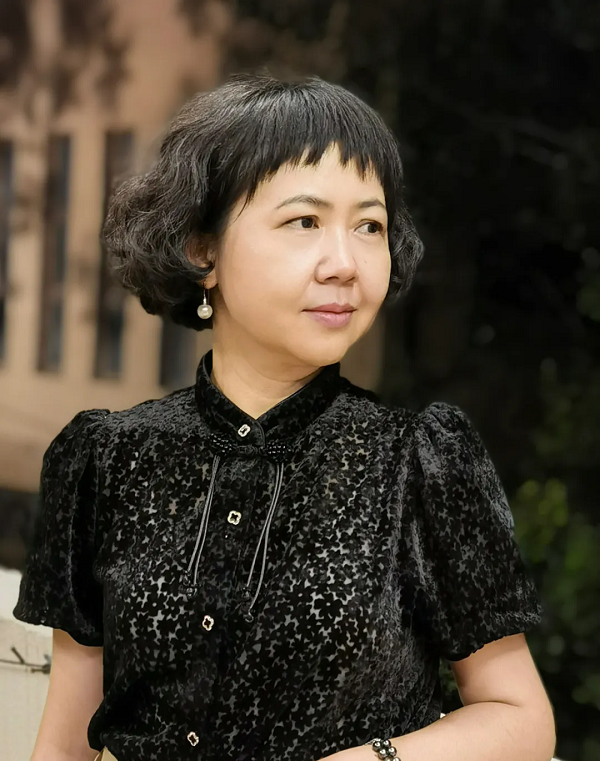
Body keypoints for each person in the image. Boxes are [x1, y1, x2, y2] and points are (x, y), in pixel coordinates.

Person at [14, 73, 556, 761]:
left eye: (369, 226)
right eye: (305, 221)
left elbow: (520, 717)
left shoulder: (421, 462)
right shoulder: (106, 458)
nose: (345, 264)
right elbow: (64, 746)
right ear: (202, 249)